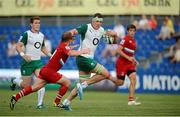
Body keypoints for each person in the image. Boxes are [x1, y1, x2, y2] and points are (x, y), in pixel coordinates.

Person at [9, 31, 90, 110]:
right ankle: (57, 102)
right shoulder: (64, 47)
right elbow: (71, 54)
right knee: (67, 83)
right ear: (69, 40)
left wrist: (71, 48)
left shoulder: (63, 45)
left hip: (45, 70)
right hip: (50, 72)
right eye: (72, 39)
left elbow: (66, 50)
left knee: (34, 88)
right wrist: (83, 51)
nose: (73, 40)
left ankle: (15, 97)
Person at [61, 13, 118, 111]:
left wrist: (114, 35)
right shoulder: (85, 27)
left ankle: (66, 102)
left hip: (84, 60)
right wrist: (67, 37)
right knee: (105, 74)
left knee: (81, 87)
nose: (99, 23)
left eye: (101, 21)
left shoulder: (101, 31)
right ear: (92, 20)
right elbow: (73, 31)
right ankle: (83, 85)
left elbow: (112, 41)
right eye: (97, 21)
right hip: (83, 58)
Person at [10, 16, 52, 109]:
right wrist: (23, 55)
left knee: (42, 81)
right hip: (27, 63)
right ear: (31, 24)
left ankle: (40, 104)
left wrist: (50, 55)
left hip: (38, 63)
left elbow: (43, 48)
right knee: (26, 87)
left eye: (39, 23)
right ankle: (14, 80)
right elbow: (18, 46)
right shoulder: (26, 34)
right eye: (36, 23)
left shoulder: (41, 35)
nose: (38, 25)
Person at [113, 24, 141, 106]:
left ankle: (131, 100)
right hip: (121, 63)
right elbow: (118, 50)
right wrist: (128, 58)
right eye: (130, 31)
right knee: (120, 83)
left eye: (133, 31)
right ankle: (108, 77)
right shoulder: (125, 39)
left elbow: (131, 53)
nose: (132, 32)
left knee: (133, 79)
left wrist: (134, 60)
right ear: (127, 31)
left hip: (129, 64)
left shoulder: (134, 41)